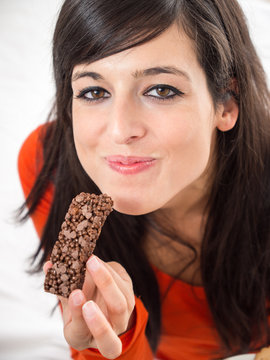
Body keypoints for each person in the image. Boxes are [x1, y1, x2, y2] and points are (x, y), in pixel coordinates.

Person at [17, 0, 270, 359]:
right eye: (94, 92)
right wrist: (110, 343)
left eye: (161, 90)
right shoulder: (50, 165)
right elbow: (97, 339)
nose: (121, 131)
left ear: (226, 104)